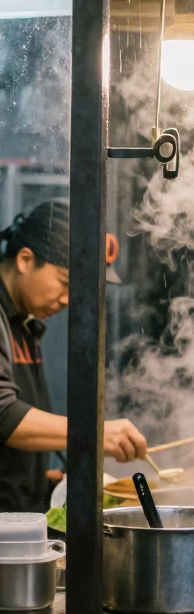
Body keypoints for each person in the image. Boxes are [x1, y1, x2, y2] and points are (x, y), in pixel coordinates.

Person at [0, 200, 148, 512]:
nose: (69, 300)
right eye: (66, 283)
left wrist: (44, 480)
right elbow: (3, 415)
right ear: (26, 259)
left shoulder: (23, 323)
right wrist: (94, 434)